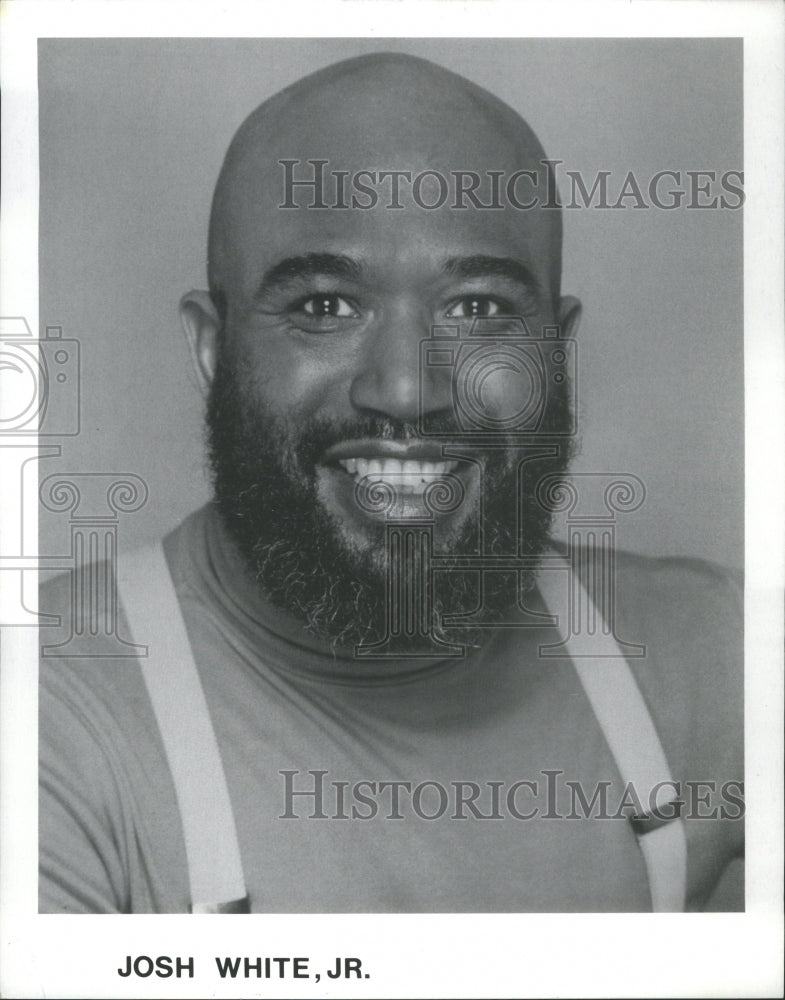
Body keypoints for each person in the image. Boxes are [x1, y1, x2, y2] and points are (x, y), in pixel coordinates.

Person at [39, 52, 743, 914]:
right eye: (325, 306)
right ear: (212, 351)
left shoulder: (720, 660)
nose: (406, 390)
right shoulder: (47, 713)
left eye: (477, 308)